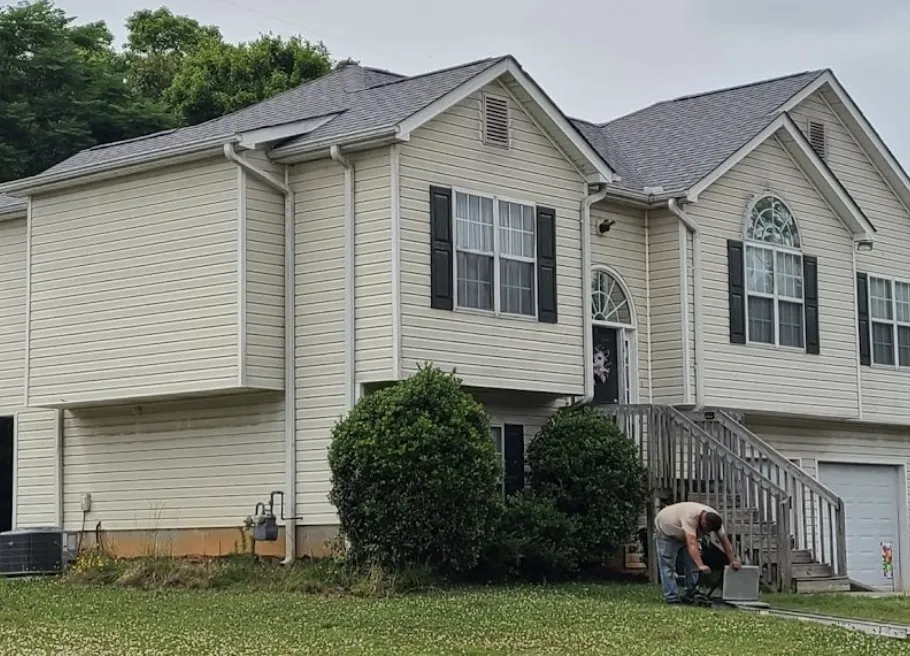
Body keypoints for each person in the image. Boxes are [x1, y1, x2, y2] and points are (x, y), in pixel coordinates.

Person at [653, 501, 742, 604]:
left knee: (693, 565)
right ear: (703, 523)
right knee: (668, 565)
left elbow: (724, 541)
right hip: (667, 530)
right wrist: (701, 565)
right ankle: (672, 597)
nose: (707, 533)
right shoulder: (691, 516)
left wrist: (733, 560)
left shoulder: (716, 519)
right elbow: (691, 542)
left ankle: (693, 592)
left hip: (686, 534)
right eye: (706, 530)